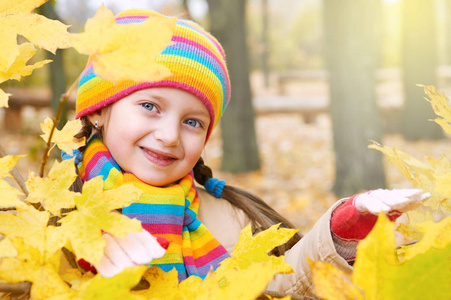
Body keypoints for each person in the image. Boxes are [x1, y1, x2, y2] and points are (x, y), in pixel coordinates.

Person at [66, 8, 429, 298]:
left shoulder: (230, 217)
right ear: (98, 108)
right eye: (149, 105)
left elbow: (281, 282)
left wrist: (342, 230)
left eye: (192, 122)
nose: (169, 136)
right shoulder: (51, 212)